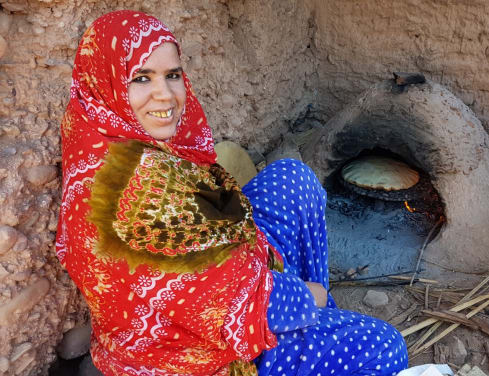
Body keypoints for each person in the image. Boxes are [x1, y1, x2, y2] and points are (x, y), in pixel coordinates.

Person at [57, 10, 408, 376]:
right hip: (194, 355)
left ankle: (317, 323)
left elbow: (213, 222)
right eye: (142, 78)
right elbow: (240, 304)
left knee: (292, 179)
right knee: (385, 349)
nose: (165, 95)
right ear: (110, 81)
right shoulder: (142, 196)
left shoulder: (97, 130)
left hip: (189, 301)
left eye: (172, 75)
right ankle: (312, 328)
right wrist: (308, 297)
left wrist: (251, 248)